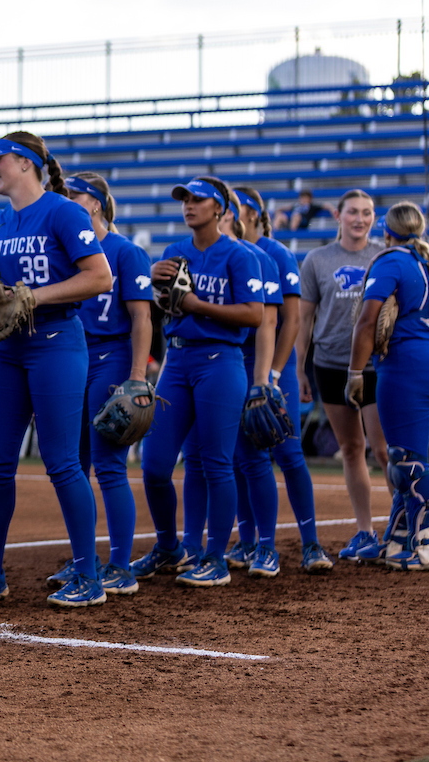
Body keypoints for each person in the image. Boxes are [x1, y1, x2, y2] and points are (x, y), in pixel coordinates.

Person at [0, 133, 113, 608]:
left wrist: (33, 295)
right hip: (7, 350)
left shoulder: (65, 211)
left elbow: (100, 276)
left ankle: (88, 576)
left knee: (62, 462)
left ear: (27, 163)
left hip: (56, 341)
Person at [135, 178, 264, 588]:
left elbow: (254, 315)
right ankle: (170, 547)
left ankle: (215, 558)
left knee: (215, 463)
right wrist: (148, 279)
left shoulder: (240, 256)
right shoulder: (174, 252)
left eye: (198, 200)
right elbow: (159, 305)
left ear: (221, 208)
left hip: (221, 360)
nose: (189, 206)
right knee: (154, 464)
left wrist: (196, 306)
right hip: (178, 359)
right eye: (185, 200)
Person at [51, 171, 153, 597]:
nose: (68, 200)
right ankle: (86, 563)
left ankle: (120, 565)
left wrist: (136, 377)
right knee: (74, 464)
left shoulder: (125, 251)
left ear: (95, 203)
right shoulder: (67, 246)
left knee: (109, 464)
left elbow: (142, 319)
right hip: (72, 355)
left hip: (111, 357)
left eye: (76, 195)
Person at [177, 180, 281, 578]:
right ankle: (197, 543)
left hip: (244, 364)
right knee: (201, 460)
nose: (191, 206)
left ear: (227, 212)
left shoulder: (256, 257)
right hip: (204, 364)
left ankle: (264, 545)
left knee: (251, 459)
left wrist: (263, 379)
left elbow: (268, 323)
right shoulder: (190, 253)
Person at [347, 201, 429, 570]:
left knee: (405, 461)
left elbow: (365, 323)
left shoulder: (391, 260)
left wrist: (355, 373)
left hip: (406, 364)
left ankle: (428, 549)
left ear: (387, 231)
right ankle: (398, 540)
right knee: (405, 458)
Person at [234, 186, 333, 572]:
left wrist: (274, 373)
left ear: (256, 214)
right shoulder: (228, 252)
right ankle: (254, 544)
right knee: (245, 457)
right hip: (235, 364)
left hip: (274, 365)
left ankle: (311, 544)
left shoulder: (277, 253)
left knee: (289, 453)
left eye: (239, 209)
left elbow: (291, 320)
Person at [296, 190, 389, 561]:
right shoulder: (318, 259)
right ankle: (365, 530)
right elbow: (303, 319)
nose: (360, 219)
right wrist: (301, 369)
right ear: (339, 215)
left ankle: (403, 527)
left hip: (375, 367)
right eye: (353, 212)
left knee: (384, 450)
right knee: (351, 449)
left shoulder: (384, 254)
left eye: (367, 213)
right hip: (330, 364)